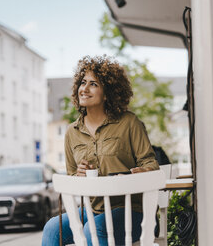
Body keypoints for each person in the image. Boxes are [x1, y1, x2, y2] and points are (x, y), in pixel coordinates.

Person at [42, 55, 159, 246]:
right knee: (53, 228)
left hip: (131, 210)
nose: (84, 89)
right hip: (93, 210)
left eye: (93, 84)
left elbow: (150, 164)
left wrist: (141, 171)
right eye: (82, 82)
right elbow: (71, 177)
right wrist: (78, 176)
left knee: (93, 229)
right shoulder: (72, 132)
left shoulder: (129, 123)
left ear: (107, 93)